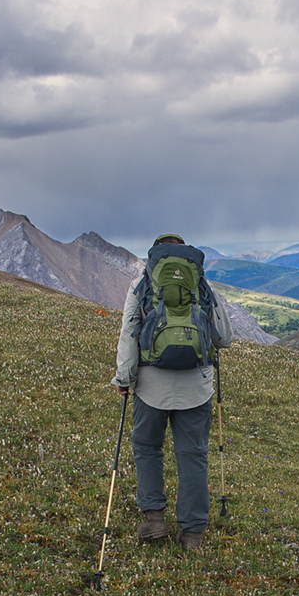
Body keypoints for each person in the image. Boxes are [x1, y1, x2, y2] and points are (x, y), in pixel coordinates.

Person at [113, 233, 234, 551]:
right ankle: (192, 534)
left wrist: (124, 377)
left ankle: (154, 520)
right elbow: (223, 337)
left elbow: (129, 329)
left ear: (156, 255)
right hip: (196, 385)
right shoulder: (201, 285)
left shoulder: (143, 284)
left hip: (151, 386)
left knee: (147, 447)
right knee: (193, 456)